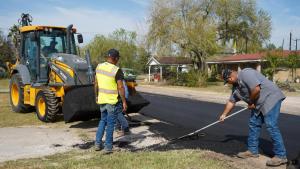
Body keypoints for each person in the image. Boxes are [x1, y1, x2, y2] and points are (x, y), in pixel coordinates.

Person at [219, 68, 287, 167]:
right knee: (254, 123)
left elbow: (256, 89)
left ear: (231, 76)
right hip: (258, 103)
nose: (228, 83)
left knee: (271, 125)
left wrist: (250, 102)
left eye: (228, 81)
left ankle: (281, 156)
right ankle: (252, 151)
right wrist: (224, 114)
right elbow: (231, 101)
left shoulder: (246, 73)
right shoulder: (236, 87)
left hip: (271, 97)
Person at [94, 48, 127, 154]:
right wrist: (124, 101)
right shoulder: (116, 70)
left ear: (108, 57)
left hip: (102, 100)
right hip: (112, 101)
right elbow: (121, 87)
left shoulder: (99, 67)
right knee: (110, 124)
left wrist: (96, 96)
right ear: (116, 58)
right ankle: (108, 147)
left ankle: (97, 144)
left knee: (102, 121)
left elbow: (95, 84)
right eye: (118, 58)